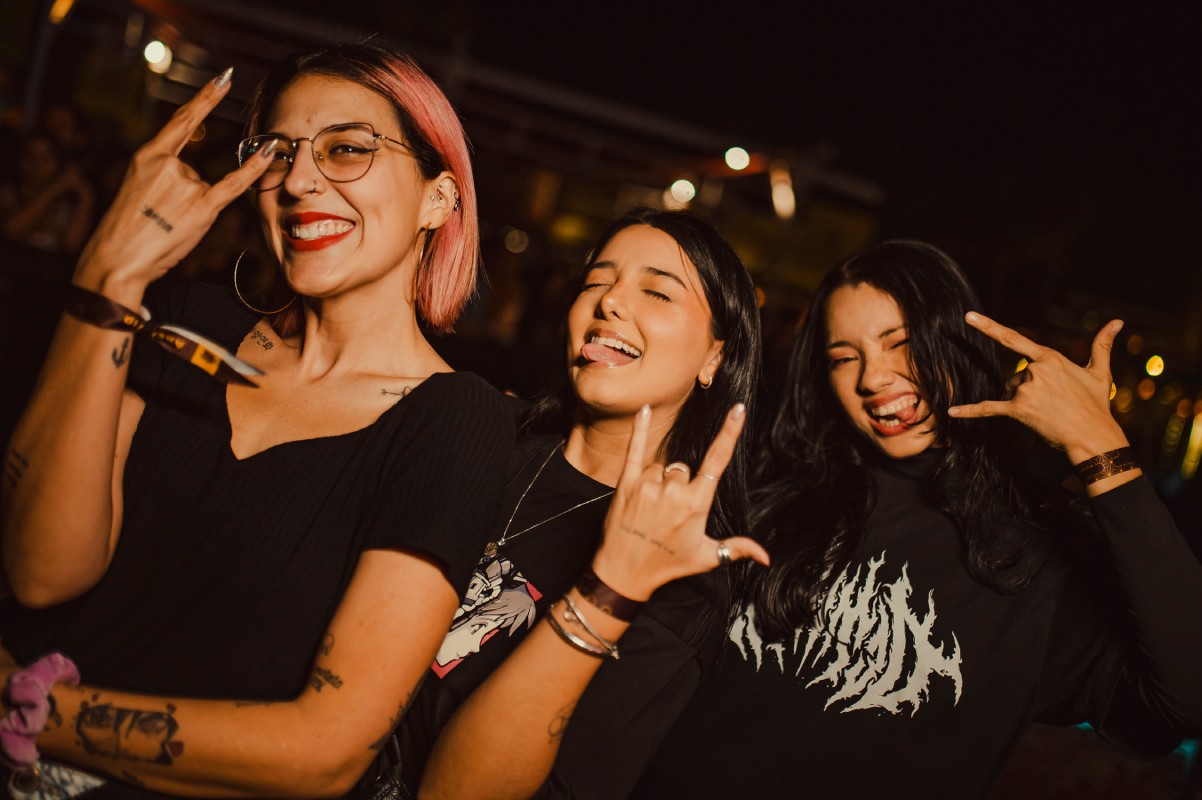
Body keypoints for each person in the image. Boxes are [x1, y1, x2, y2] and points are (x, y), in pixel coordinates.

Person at [0, 43, 513, 797]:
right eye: (277, 152)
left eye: (346, 149)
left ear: (439, 198)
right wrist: (106, 283)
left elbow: (325, 752)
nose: (298, 181)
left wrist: (29, 712)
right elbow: (42, 574)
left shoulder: (453, 421)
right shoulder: (183, 320)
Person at [632, 240, 1202, 798]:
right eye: (844, 357)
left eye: (900, 342)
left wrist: (1099, 446)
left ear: (956, 343)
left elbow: (1190, 698)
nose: (873, 378)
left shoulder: (1039, 558)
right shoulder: (765, 488)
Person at [391, 208, 768, 799]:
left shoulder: (682, 577)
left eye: (656, 292)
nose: (611, 302)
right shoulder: (482, 433)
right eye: (596, 281)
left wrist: (610, 587)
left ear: (714, 358)